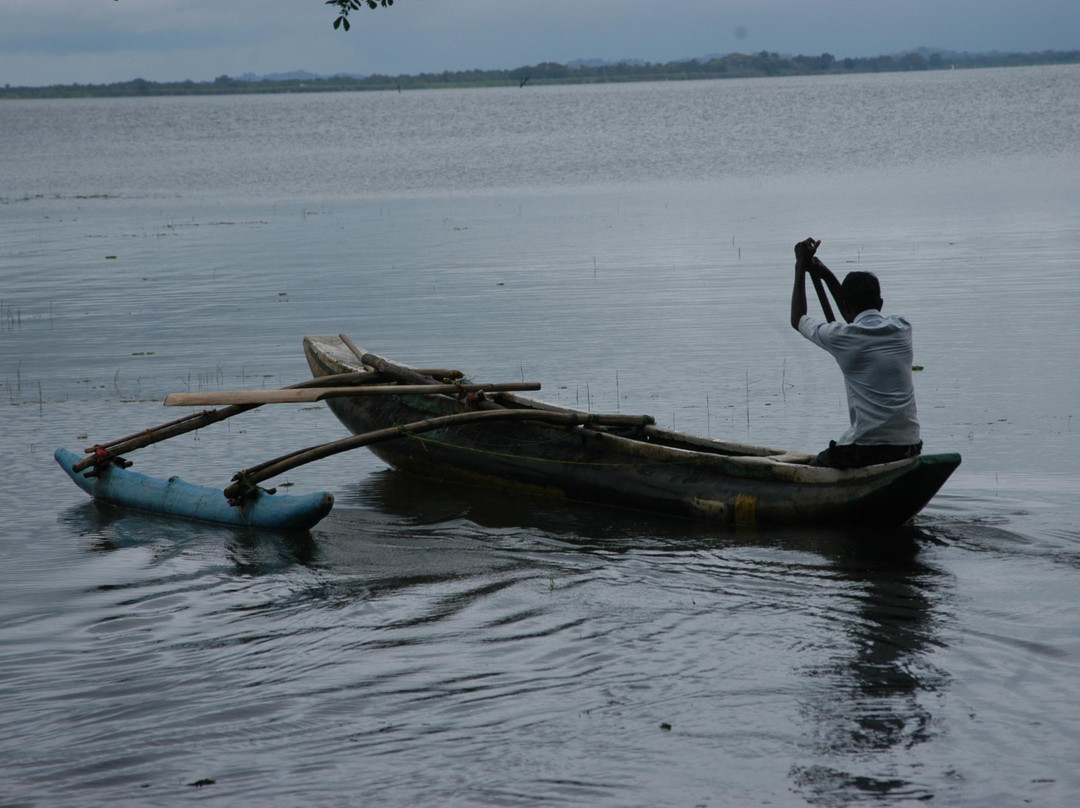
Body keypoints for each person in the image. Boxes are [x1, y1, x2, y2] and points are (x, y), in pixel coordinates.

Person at [789, 237, 922, 468]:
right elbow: (852, 314)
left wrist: (800, 266)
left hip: (867, 449)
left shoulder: (841, 336)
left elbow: (798, 318)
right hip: (910, 444)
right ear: (880, 303)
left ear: (847, 305)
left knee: (812, 467)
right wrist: (825, 274)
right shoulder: (902, 328)